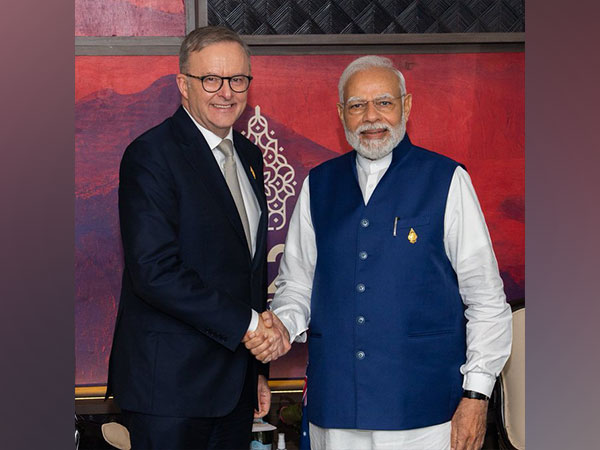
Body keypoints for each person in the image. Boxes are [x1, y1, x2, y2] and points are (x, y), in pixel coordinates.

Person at [244, 55, 513, 450]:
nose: (371, 117)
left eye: (384, 102)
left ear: (406, 106)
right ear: (341, 114)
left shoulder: (446, 180)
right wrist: (283, 325)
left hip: (424, 413)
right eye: (357, 106)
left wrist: (476, 396)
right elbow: (297, 284)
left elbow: (486, 300)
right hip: (334, 411)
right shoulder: (318, 185)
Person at [106, 26, 286, 450]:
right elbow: (154, 272)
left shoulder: (249, 156)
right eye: (211, 79)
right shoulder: (151, 155)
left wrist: (256, 369)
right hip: (169, 390)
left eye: (238, 79)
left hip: (234, 388)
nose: (226, 92)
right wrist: (250, 327)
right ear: (183, 84)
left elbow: (247, 271)